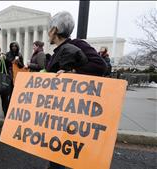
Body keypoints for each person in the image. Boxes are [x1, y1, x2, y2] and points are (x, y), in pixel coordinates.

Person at [46, 11, 107, 169]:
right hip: (56, 111)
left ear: (54, 30)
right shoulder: (57, 51)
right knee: (55, 153)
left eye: (49, 29)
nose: (47, 33)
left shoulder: (77, 44)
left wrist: (71, 74)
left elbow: (100, 65)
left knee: (61, 154)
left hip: (69, 112)